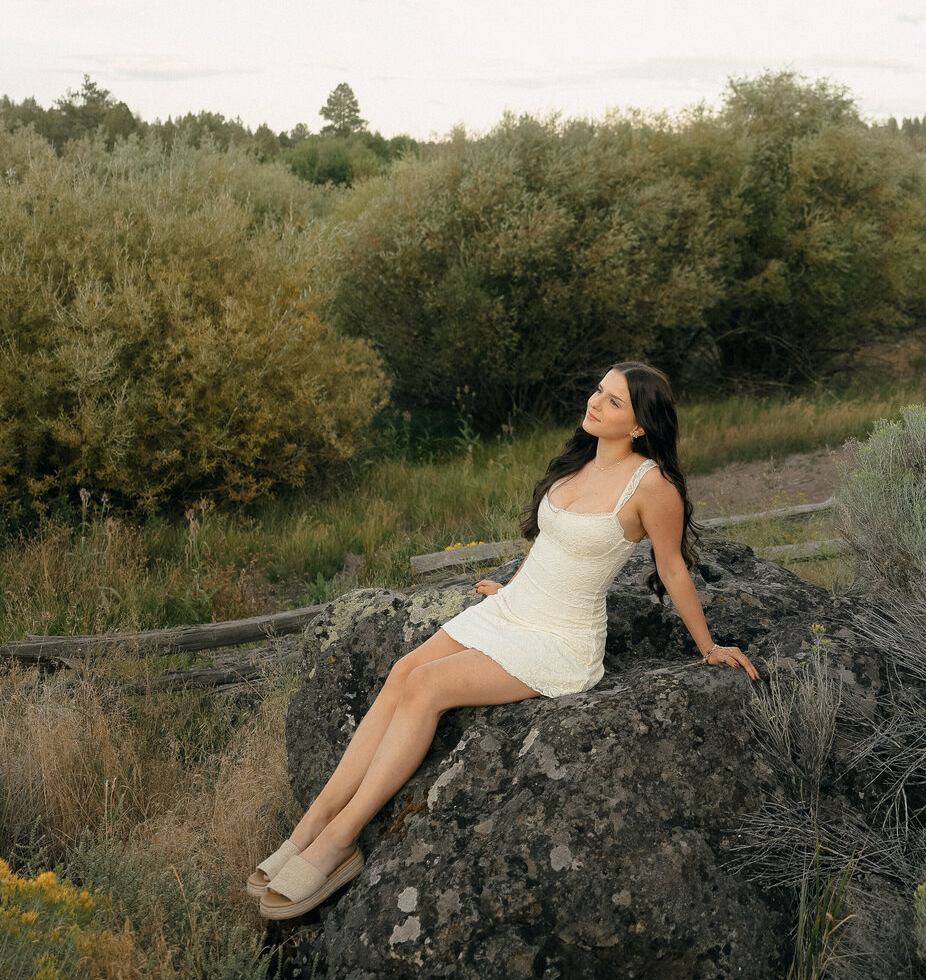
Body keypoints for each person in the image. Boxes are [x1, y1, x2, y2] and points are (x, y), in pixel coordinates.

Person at [251, 360, 760, 920]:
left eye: (614, 402)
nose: (595, 403)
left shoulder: (652, 486)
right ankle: (311, 824)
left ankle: (340, 841)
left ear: (640, 425)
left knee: (426, 686)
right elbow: (555, 547)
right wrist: (513, 585)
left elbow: (674, 568)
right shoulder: (577, 465)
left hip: (560, 638)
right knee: (401, 672)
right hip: (513, 609)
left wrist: (708, 647)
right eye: (598, 391)